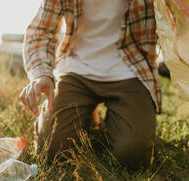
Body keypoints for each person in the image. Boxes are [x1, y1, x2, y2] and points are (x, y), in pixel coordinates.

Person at [19, 0, 162, 167]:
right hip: (76, 67)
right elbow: (41, 31)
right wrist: (41, 74)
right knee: (52, 151)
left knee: (133, 157)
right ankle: (86, 114)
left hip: (130, 69)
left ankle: (116, 120)